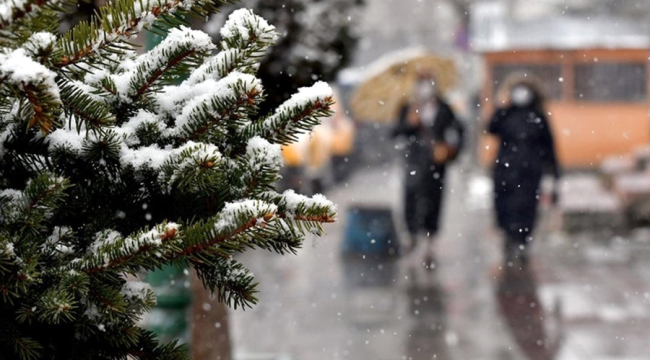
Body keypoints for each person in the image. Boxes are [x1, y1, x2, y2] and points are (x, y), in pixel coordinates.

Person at [392, 73, 464, 267]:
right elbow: (396, 133)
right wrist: (409, 124)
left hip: (436, 165)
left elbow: (457, 131)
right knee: (411, 199)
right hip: (414, 162)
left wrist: (448, 148)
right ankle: (412, 235)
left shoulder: (444, 107)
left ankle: (430, 244)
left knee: (434, 201)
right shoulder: (408, 107)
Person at [487, 77, 560, 262]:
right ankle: (508, 235)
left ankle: (522, 240)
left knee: (527, 207)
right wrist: (501, 106)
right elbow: (491, 127)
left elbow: (549, 145)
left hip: (530, 171)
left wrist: (553, 172)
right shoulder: (506, 113)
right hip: (505, 169)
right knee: (504, 205)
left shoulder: (538, 115)